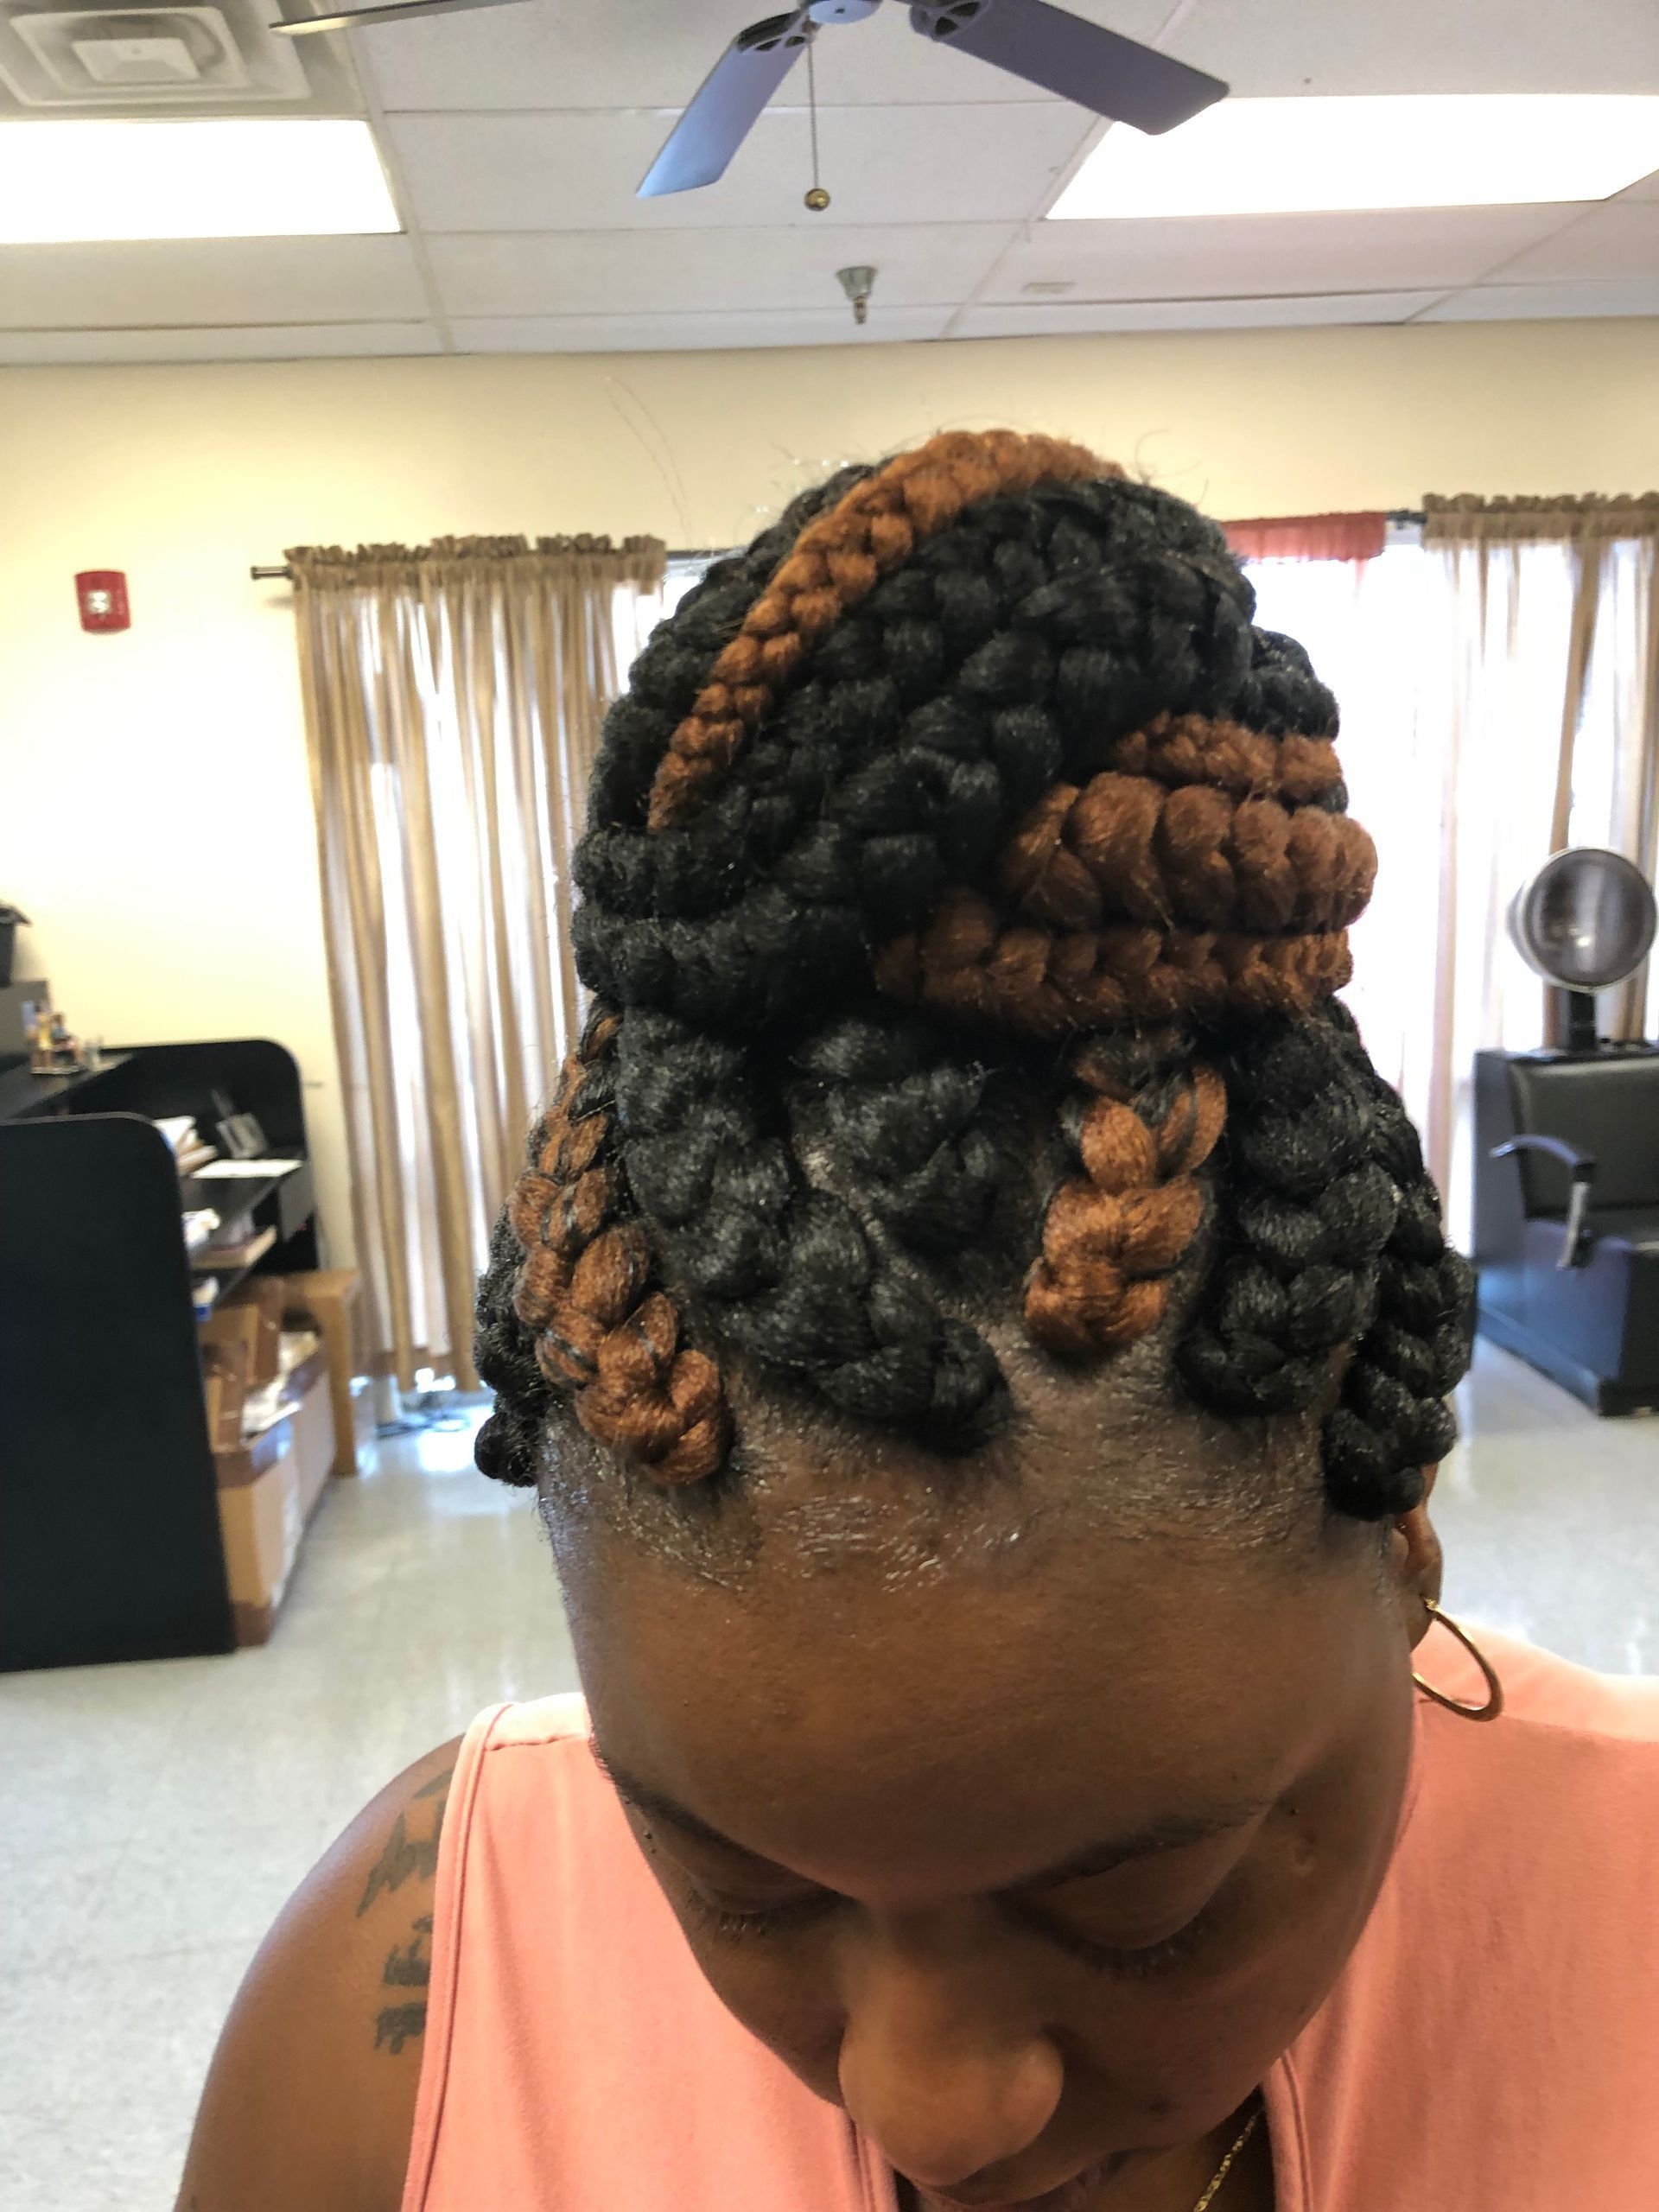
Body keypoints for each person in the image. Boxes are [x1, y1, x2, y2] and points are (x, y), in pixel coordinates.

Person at [180, 431, 1659, 2212]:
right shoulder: (396, 2022)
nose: (933, 2109)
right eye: (736, 1878)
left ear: (1406, 1543)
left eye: (1145, 1907)